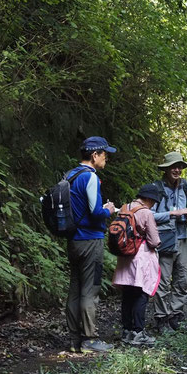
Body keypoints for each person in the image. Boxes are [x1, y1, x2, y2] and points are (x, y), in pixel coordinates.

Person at [66, 136, 117, 353]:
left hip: (73, 240)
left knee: (75, 289)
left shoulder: (70, 175)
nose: (106, 159)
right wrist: (110, 210)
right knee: (90, 289)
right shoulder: (90, 177)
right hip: (91, 240)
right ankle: (90, 339)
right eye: (104, 154)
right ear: (95, 155)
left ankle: (74, 338)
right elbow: (96, 212)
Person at [112, 184, 162, 346]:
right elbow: (154, 241)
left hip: (124, 257)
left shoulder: (125, 208)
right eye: (153, 201)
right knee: (141, 294)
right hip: (140, 258)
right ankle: (138, 332)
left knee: (127, 295)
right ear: (148, 199)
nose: (153, 205)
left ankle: (126, 331)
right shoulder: (146, 212)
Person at [151, 152, 187, 333]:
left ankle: (176, 314)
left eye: (180, 166)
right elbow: (149, 215)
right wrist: (172, 214)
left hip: (183, 237)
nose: (177, 170)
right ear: (166, 169)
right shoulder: (156, 188)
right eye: (173, 166)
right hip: (164, 239)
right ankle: (161, 317)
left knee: (182, 278)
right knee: (163, 281)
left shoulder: (185, 186)